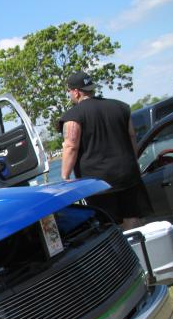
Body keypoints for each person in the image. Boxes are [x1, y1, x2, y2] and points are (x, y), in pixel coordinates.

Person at [60, 70, 153, 230]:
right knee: (132, 217)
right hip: (127, 174)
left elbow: (71, 146)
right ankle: (137, 245)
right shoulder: (121, 107)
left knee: (108, 224)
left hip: (98, 182)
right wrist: (133, 161)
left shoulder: (73, 115)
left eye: (69, 91)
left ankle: (120, 246)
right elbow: (132, 136)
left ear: (76, 92)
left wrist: (65, 176)